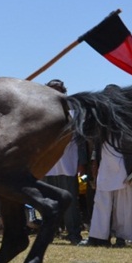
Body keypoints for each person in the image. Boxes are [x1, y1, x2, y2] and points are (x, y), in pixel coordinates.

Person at [43, 79, 86, 245]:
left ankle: (74, 234)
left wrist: (82, 163)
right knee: (48, 203)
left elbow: (81, 140)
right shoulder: (40, 111)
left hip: (68, 165)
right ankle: (49, 234)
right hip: (47, 166)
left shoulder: (74, 112)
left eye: (59, 90)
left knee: (70, 202)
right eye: (52, 90)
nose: (56, 93)